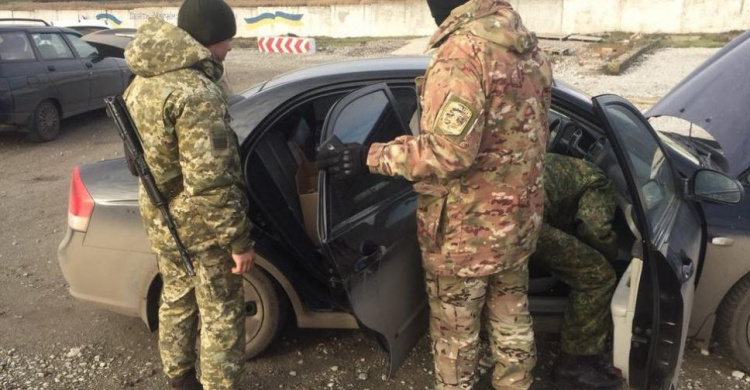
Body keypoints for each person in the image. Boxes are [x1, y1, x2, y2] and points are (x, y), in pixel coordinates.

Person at [317, 0, 552, 388]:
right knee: (511, 317)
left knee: (456, 338)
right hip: (516, 222)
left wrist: (367, 156)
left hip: (466, 232)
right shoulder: (526, 47)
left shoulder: (462, 54)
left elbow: (448, 152)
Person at [122, 0, 254, 388]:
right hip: (200, 226)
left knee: (177, 298)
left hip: (161, 214)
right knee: (222, 311)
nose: (230, 46)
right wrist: (237, 240)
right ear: (211, 37)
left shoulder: (144, 79)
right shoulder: (197, 93)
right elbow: (211, 181)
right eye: (227, 38)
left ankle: (179, 380)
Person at [534, 152, 621, 389]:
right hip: (532, 223)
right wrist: (612, 255)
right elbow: (594, 228)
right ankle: (574, 366)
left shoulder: (566, 165)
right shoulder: (599, 182)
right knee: (599, 277)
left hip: (504, 214)